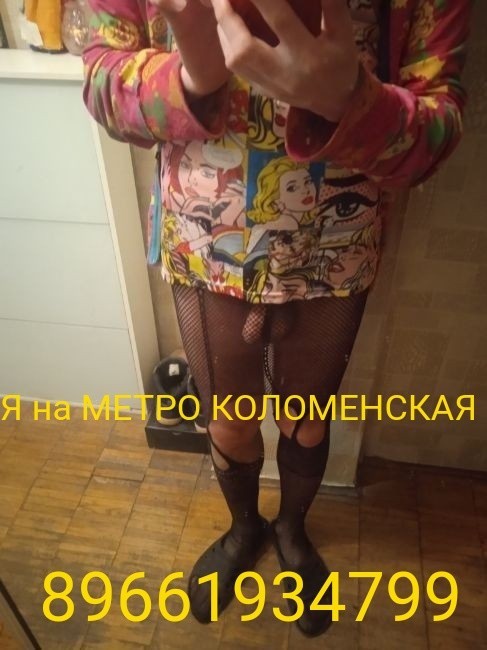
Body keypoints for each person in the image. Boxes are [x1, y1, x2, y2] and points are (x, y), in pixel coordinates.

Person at [82, 0, 471, 637]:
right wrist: (190, 78)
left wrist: (351, 100)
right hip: (207, 242)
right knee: (227, 419)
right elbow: (101, 82)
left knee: (308, 421)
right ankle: (244, 529)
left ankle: (291, 529)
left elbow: (440, 127)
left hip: (337, 243)